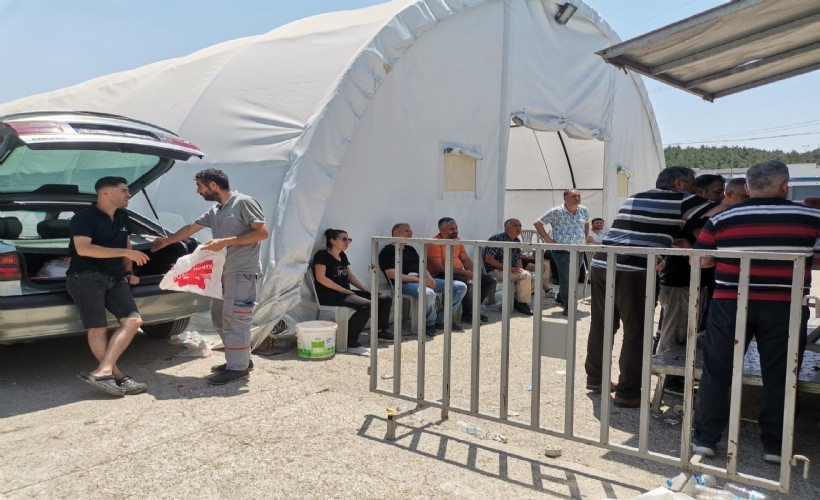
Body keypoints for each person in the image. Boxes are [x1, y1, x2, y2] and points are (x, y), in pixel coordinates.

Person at [692, 160, 820, 464]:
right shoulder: (811, 216)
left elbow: (699, 260)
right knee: (781, 374)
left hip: (730, 302)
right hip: (786, 306)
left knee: (718, 369)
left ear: (747, 188)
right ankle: (775, 445)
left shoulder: (723, 218)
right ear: (785, 186)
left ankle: (706, 440)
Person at [584, 167, 713, 407]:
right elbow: (723, 210)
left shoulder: (636, 197)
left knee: (602, 325)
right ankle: (628, 392)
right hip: (634, 268)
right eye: (693, 183)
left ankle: (596, 379)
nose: (697, 188)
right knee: (636, 332)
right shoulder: (683, 200)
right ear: (679, 184)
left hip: (602, 263)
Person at [151, 168, 268, 385]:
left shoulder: (244, 202)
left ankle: (238, 368)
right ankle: (241, 360)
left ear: (213, 185)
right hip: (222, 272)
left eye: (200, 186)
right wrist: (166, 242)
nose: (198, 191)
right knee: (219, 319)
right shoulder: (216, 210)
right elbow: (191, 228)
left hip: (242, 271)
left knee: (236, 320)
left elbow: (261, 232)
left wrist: (225, 241)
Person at [70, 176, 150, 397]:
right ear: (106, 193)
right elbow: (84, 249)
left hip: (115, 277)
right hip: (86, 276)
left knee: (134, 321)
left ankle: (102, 372)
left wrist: (129, 271)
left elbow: (127, 244)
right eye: (124, 190)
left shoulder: (123, 215)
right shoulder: (83, 218)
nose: (129, 195)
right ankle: (116, 376)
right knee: (98, 328)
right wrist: (126, 253)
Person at [313, 228, 393, 354]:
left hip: (344, 292)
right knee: (367, 305)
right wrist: (344, 291)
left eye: (348, 239)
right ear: (332, 241)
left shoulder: (342, 256)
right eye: (343, 239)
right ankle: (350, 341)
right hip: (329, 295)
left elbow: (349, 276)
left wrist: (365, 289)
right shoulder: (322, 255)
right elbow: (321, 278)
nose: (347, 242)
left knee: (384, 298)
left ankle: (380, 332)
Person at [378, 223, 467, 334]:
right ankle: (429, 323)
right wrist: (418, 280)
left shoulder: (410, 249)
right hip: (404, 283)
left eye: (411, 231)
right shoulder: (387, 251)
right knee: (428, 293)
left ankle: (440, 319)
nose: (410, 233)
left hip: (421, 280)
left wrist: (430, 278)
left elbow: (422, 266)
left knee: (460, 286)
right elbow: (392, 274)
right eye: (407, 231)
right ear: (396, 233)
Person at [427, 217, 494, 324]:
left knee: (490, 280)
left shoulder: (458, 241)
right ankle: (467, 314)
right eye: (452, 229)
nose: (456, 231)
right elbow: (438, 268)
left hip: (458, 273)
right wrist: (465, 273)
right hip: (441, 275)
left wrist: (474, 272)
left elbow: (466, 260)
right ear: (442, 230)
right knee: (469, 283)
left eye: (456, 228)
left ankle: (472, 310)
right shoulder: (434, 243)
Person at [534, 189, 589, 316]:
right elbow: (538, 223)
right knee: (567, 278)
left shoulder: (584, 210)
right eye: (573, 196)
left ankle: (561, 296)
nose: (577, 198)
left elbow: (586, 223)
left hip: (579, 250)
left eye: (578, 196)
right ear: (565, 198)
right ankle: (569, 304)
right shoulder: (556, 211)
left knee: (573, 277)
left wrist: (585, 238)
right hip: (562, 251)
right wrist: (547, 239)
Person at [484, 219, 534, 316]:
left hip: (510, 271)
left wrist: (520, 270)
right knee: (525, 276)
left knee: (535, 277)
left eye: (520, 225)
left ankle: (516, 300)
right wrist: (509, 268)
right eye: (515, 225)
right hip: (495, 271)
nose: (518, 228)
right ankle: (522, 304)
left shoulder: (517, 241)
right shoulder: (497, 238)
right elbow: (489, 259)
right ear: (507, 228)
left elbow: (518, 260)